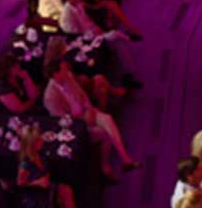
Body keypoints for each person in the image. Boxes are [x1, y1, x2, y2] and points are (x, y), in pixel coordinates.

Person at [43, 43, 138, 178]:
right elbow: (64, 123)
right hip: (78, 126)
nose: (67, 71)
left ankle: (125, 159)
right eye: (63, 70)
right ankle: (104, 165)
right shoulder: (50, 97)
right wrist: (83, 120)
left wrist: (89, 109)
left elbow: (82, 94)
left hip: (87, 111)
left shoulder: (68, 76)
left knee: (108, 119)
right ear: (55, 75)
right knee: (105, 134)